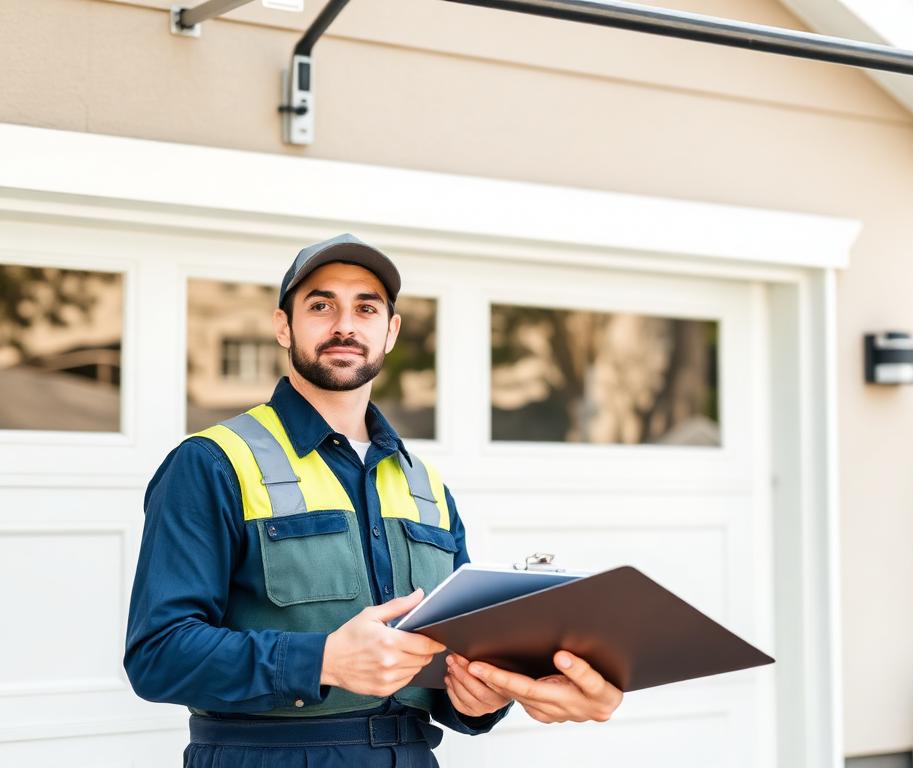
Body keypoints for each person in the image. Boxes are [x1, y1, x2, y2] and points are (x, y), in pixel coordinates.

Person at [124, 233, 623, 767]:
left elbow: (454, 663)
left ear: (390, 331)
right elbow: (158, 656)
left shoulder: (426, 486)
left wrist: (484, 696)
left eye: (366, 307)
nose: (345, 325)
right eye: (321, 305)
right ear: (282, 326)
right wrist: (322, 661)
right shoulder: (211, 464)